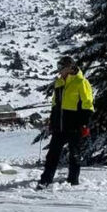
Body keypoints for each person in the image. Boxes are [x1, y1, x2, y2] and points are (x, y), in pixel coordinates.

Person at [37, 55, 94, 189]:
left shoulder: (81, 82)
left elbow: (88, 104)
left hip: (75, 126)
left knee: (74, 155)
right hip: (59, 126)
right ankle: (45, 180)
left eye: (61, 68)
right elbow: (55, 104)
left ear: (69, 67)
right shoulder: (59, 83)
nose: (59, 71)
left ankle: (73, 181)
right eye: (58, 68)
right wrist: (52, 121)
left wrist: (85, 124)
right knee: (52, 154)